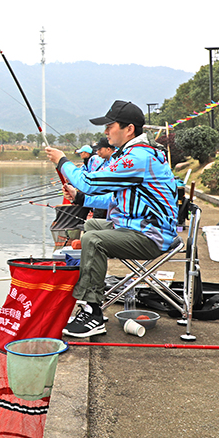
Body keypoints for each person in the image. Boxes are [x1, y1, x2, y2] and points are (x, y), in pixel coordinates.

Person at [45, 100, 178, 338]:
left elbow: (89, 181)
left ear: (129, 129)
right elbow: (115, 200)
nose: (106, 131)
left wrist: (62, 161)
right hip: (139, 227)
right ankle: (92, 291)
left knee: (93, 239)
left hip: (152, 235)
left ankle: (93, 311)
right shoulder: (133, 154)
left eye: (110, 125)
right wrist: (80, 198)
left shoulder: (138, 158)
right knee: (91, 224)